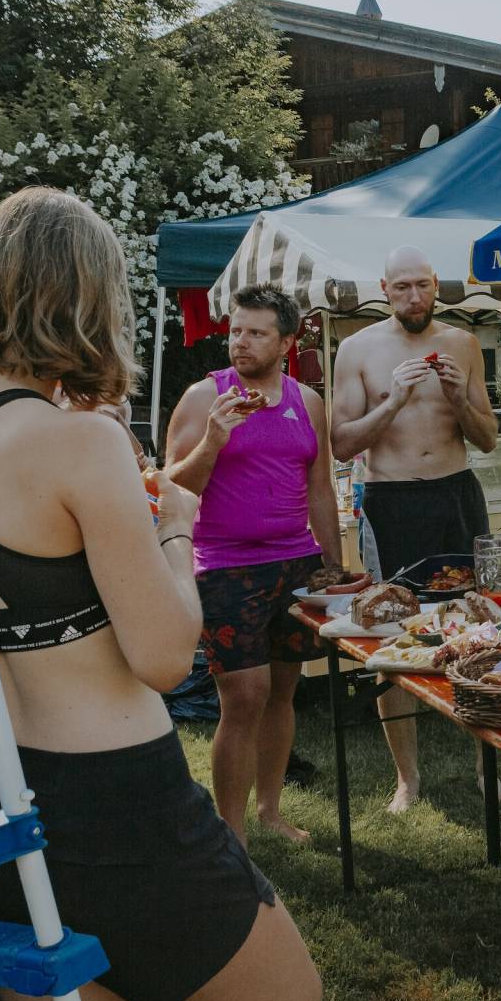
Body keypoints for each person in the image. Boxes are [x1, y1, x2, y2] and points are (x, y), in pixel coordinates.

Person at [0, 187, 320, 1001]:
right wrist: (177, 530)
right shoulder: (79, 441)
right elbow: (160, 659)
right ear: (86, 300)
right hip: (116, 801)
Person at [166, 283, 342, 848]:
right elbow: (171, 490)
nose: (240, 342)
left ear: (287, 341)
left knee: (283, 692)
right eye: (235, 330)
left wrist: (333, 566)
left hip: (296, 565)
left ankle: (269, 810)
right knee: (243, 697)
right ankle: (232, 836)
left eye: (256, 333)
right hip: (224, 568)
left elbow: (320, 491)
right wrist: (216, 439)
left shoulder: (305, 401)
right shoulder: (203, 398)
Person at [331, 246, 498, 813]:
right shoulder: (357, 349)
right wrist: (395, 400)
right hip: (390, 499)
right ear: (383, 287)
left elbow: (487, 437)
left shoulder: (463, 344)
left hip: (454, 493)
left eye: (422, 285)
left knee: (478, 627)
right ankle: (408, 778)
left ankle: (486, 764)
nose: (413, 297)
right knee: (391, 632)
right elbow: (342, 443)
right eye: (401, 287)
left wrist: (456, 395)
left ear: (436, 286)